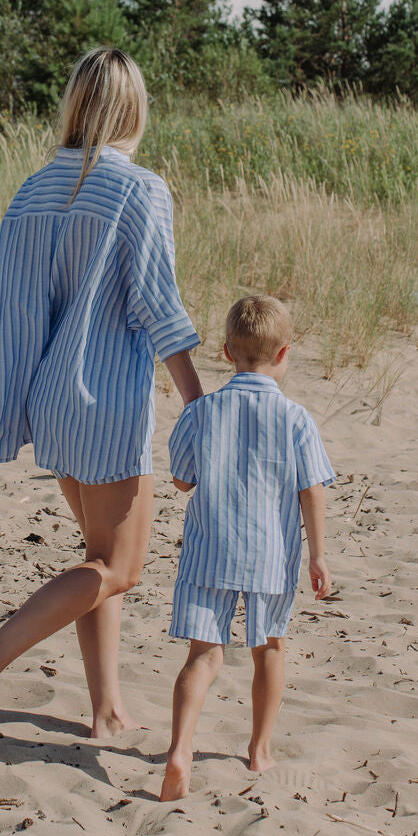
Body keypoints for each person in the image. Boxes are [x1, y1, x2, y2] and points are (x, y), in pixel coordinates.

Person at [0, 47, 202, 739]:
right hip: (107, 401)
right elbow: (157, 305)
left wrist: (11, 405)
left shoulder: (32, 190)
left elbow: (9, 308)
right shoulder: (139, 189)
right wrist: (199, 403)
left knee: (98, 558)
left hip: (51, 398)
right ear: (134, 109)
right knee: (119, 568)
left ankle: (106, 706)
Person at [159, 294, 335, 801]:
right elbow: (311, 490)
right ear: (284, 354)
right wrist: (318, 555)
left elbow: (181, 481)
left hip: (209, 550)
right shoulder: (297, 419)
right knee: (269, 650)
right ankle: (259, 750)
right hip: (270, 555)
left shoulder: (201, 414)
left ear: (226, 352)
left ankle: (180, 749)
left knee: (203, 655)